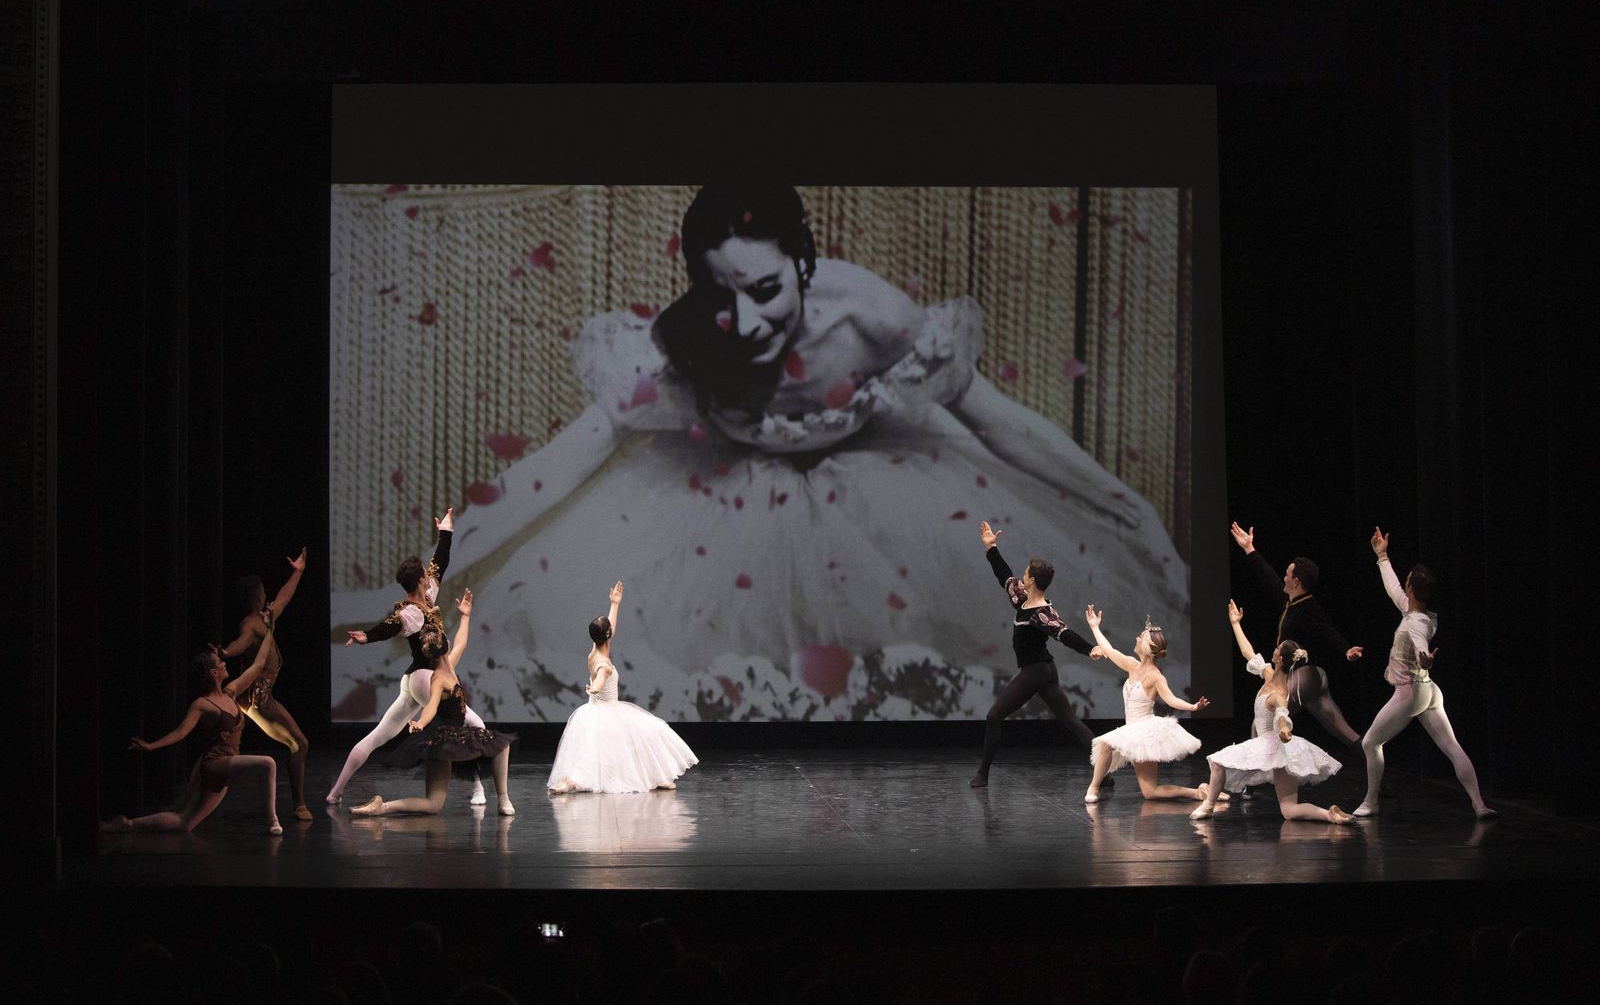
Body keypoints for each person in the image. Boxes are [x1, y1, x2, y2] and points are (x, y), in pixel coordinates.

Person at [331, 184, 1188, 722]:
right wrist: (424, 583)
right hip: (715, 507)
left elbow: (1004, 426)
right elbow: (557, 465)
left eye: (767, 290)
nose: (744, 323)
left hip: (884, 500)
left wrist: (1130, 509)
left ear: (804, 264)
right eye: (720, 293)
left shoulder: (870, 317)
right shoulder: (685, 347)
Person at [329, 508, 489, 807]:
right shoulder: (410, 613)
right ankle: (478, 789)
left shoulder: (428, 597)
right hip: (425, 678)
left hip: (412, 681)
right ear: (418, 581)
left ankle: (336, 790)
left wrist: (446, 533)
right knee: (471, 723)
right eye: (425, 575)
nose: (431, 575)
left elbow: (440, 561)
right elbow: (389, 625)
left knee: (379, 735)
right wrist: (366, 636)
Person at [1353, 527, 1494, 818]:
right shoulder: (1416, 612)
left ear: (1412, 590)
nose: (1403, 585)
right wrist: (1382, 556)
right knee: (1451, 746)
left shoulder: (1416, 623)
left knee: (1370, 741)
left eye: (1407, 582)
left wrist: (1426, 659)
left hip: (1411, 692)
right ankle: (1479, 805)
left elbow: (1419, 644)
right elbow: (1393, 589)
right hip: (1429, 691)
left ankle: (1371, 801)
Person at [102, 626, 283, 835]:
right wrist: (152, 746)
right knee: (268, 763)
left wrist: (270, 629)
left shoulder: (230, 693)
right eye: (220, 663)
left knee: (184, 822)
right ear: (214, 673)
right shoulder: (202, 704)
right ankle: (273, 821)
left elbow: (259, 664)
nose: (225, 664)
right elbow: (181, 732)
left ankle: (126, 824)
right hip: (215, 763)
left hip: (225, 764)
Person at [352, 589, 517, 816]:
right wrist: (421, 722)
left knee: (433, 804)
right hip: (450, 738)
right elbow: (430, 706)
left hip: (441, 741)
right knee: (501, 745)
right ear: (443, 647)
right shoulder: (439, 678)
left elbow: (462, 641)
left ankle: (383, 807)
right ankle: (503, 800)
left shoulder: (447, 665)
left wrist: (465, 616)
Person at [969, 520, 1105, 788]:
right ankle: (1106, 774)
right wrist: (991, 547)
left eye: (1025, 574)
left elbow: (1063, 633)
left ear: (1031, 579)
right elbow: (1004, 576)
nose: (1021, 576)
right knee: (1070, 720)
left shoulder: (1040, 612)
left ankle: (982, 774)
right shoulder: (1023, 600)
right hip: (1044, 670)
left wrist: (1090, 649)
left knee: (994, 717)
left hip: (1036, 671)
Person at [1191, 601, 1350, 823]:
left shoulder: (1278, 692)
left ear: (1280, 658)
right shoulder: (1268, 675)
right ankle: (1329, 815)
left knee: (1217, 762)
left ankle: (1208, 805)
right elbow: (1248, 652)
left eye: (1277, 648)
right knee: (1289, 810)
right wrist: (1235, 623)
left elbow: (1282, 714)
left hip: (1269, 743)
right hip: (1279, 750)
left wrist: (1284, 728)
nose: (1273, 649)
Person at [548, 582, 698, 793]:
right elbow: (600, 679)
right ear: (607, 635)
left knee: (610, 749)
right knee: (650, 732)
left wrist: (615, 604)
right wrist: (595, 688)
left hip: (595, 710)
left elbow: (610, 630)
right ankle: (571, 782)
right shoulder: (604, 664)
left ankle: (656, 777)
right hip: (607, 710)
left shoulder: (595, 650)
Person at [1229, 522, 1364, 752]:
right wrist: (1249, 549)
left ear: (1296, 582)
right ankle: (1381, 771)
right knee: (1344, 732)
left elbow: (1326, 630)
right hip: (1311, 680)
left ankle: (1250, 786)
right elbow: (1268, 577)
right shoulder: (1291, 603)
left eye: (1287, 574)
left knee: (1261, 719)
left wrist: (1346, 649)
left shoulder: (1310, 608)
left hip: (1306, 675)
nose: (1283, 577)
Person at [1081, 605, 1214, 804]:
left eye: (1140, 637)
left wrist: (1193, 707)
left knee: (1147, 788)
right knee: (1147, 789)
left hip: (1144, 731)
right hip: (1132, 729)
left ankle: (1198, 793)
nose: (1136, 638)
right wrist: (1094, 627)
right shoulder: (1132, 665)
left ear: (1146, 646)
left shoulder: (1155, 677)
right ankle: (1198, 792)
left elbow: (1171, 700)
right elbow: (1109, 650)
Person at [219, 546, 311, 821]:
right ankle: (299, 805)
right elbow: (240, 643)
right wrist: (225, 653)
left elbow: (283, 598)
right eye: (261, 590)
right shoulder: (250, 623)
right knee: (299, 743)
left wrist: (298, 573)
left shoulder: (265, 618)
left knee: (296, 744)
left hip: (258, 695)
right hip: (256, 698)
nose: (265, 593)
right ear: (254, 595)